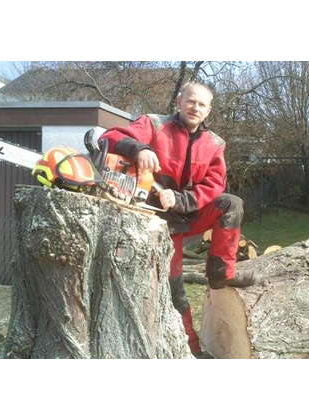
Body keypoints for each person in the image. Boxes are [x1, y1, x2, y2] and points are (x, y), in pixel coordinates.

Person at [99, 82, 257, 357]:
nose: (195, 107)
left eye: (201, 104)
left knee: (231, 204)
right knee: (175, 291)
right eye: (191, 101)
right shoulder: (153, 123)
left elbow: (214, 183)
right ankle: (191, 349)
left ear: (208, 110)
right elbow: (110, 137)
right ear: (179, 102)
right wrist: (138, 149)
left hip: (190, 212)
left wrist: (181, 200)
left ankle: (221, 274)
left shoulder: (215, 144)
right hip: (155, 220)